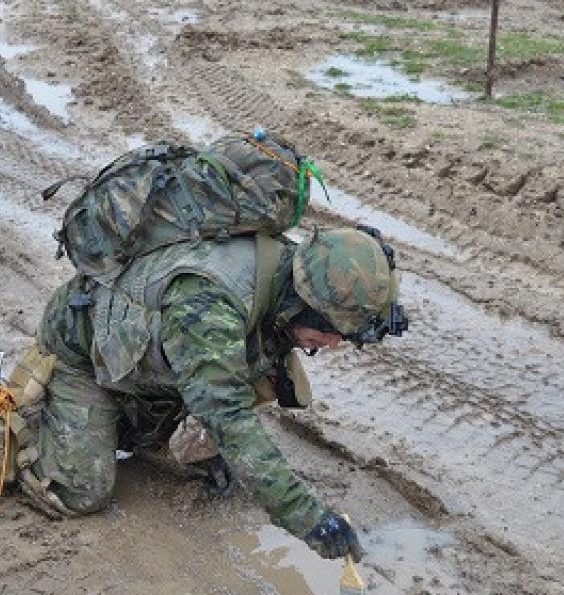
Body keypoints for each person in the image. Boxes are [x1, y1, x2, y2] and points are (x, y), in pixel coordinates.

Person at [22, 225, 408, 561]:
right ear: (303, 304)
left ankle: (135, 418)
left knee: (264, 378)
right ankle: (25, 419)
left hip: (153, 353)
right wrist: (309, 518)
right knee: (84, 492)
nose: (333, 344)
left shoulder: (297, 273)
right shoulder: (211, 302)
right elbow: (229, 416)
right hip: (83, 356)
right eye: (327, 331)